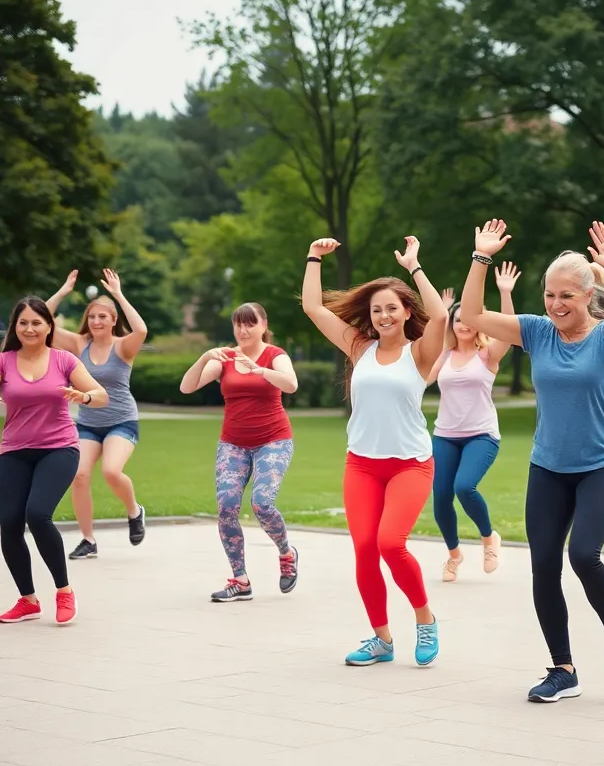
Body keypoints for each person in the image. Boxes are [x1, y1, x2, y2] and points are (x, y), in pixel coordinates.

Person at [461, 219, 604, 703]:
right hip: (548, 465)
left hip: (602, 466)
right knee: (544, 567)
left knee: (583, 555)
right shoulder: (536, 331)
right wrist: (481, 258)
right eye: (550, 294)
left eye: (566, 295)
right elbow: (471, 313)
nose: (555, 304)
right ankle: (562, 670)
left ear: (588, 293)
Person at [302, 235, 447, 667]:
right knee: (365, 548)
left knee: (390, 543)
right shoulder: (359, 348)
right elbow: (313, 307)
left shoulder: (419, 353)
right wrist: (314, 257)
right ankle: (381, 640)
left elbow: (439, 313)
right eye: (377, 309)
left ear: (405, 313)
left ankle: (425, 618)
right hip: (362, 464)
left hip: (410, 465)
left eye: (392, 308)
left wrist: (414, 268)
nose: (383, 315)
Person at [0, 296, 110, 625]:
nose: (30, 328)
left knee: (37, 514)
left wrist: (83, 395)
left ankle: (64, 590)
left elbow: (101, 395)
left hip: (59, 449)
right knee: (10, 525)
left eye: (36, 322)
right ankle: (28, 600)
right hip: (15, 451)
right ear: (16, 327)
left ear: (49, 326)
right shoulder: (1, 362)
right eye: (23, 323)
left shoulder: (64, 360)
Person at [180, 302, 300, 602]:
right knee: (227, 505)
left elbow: (291, 384)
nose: (244, 330)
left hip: (274, 439)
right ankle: (240, 579)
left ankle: (286, 553)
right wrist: (205, 356)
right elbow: (187, 387)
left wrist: (260, 370)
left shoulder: (276, 355)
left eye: (250, 323)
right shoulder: (226, 357)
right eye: (238, 324)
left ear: (263, 325)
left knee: (262, 502)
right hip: (233, 443)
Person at [45, 269, 149, 559]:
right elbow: (43, 323)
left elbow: (141, 330)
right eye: (92, 316)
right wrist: (63, 291)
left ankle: (134, 511)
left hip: (121, 421)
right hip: (88, 423)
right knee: (78, 476)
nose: (97, 321)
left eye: (103, 316)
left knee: (111, 471)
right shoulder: (80, 345)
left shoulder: (123, 346)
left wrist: (118, 294)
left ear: (113, 320)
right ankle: (88, 540)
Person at [428, 264, 519, 582]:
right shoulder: (445, 354)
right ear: (451, 324)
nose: (462, 323)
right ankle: (454, 554)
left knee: (464, 487)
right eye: (457, 318)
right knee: (440, 496)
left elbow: (509, 330)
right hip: (445, 435)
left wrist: (505, 293)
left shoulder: (487, 355)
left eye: (468, 317)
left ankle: (488, 539)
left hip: (481, 435)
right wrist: (436, 315)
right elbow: (421, 379)